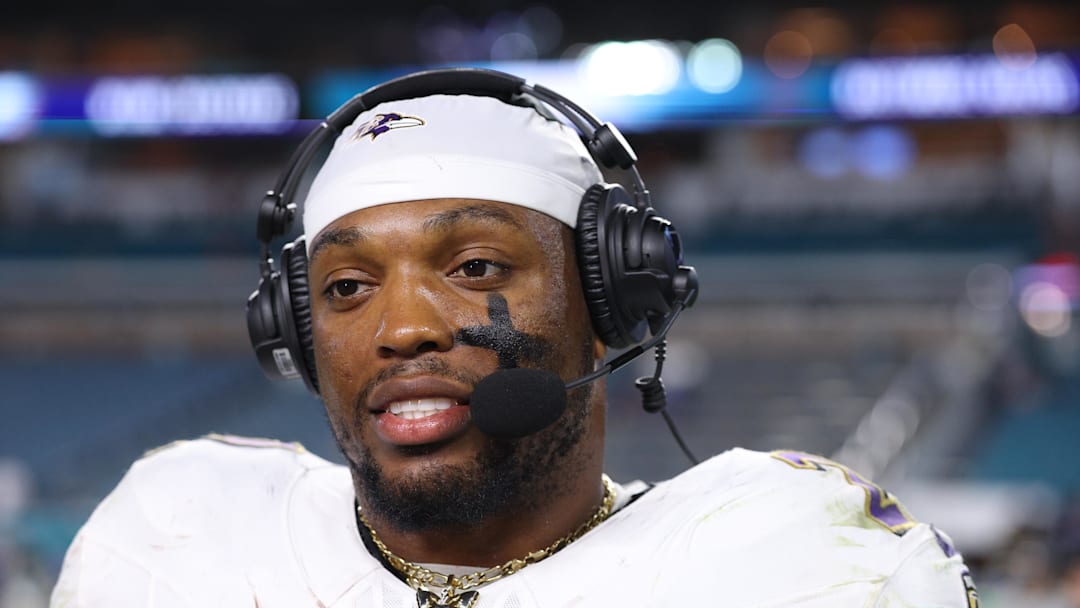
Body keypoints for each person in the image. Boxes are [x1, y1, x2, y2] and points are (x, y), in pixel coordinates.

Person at [50, 68, 979, 607]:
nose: (403, 329)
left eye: (475, 268)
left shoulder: (794, 568)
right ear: (293, 328)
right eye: (346, 287)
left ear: (612, 302)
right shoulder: (177, 540)